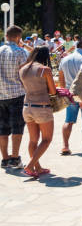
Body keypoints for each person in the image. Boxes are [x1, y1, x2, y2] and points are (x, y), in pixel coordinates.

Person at [18, 46, 56, 178]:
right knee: (46, 139)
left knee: (33, 140)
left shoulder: (23, 69)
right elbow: (52, 91)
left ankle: (38, 168)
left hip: (27, 106)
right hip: (42, 107)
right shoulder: (45, 69)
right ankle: (30, 166)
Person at [58, 37, 82, 155]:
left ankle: (65, 146)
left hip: (69, 93)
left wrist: (64, 92)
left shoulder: (65, 59)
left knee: (69, 120)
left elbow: (60, 77)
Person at [0, 25, 28, 169]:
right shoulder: (20, 52)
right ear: (18, 37)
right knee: (17, 127)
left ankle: (4, 158)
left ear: (6, 36)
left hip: (1, 95)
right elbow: (24, 74)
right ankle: (15, 157)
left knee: (2, 129)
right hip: (17, 94)